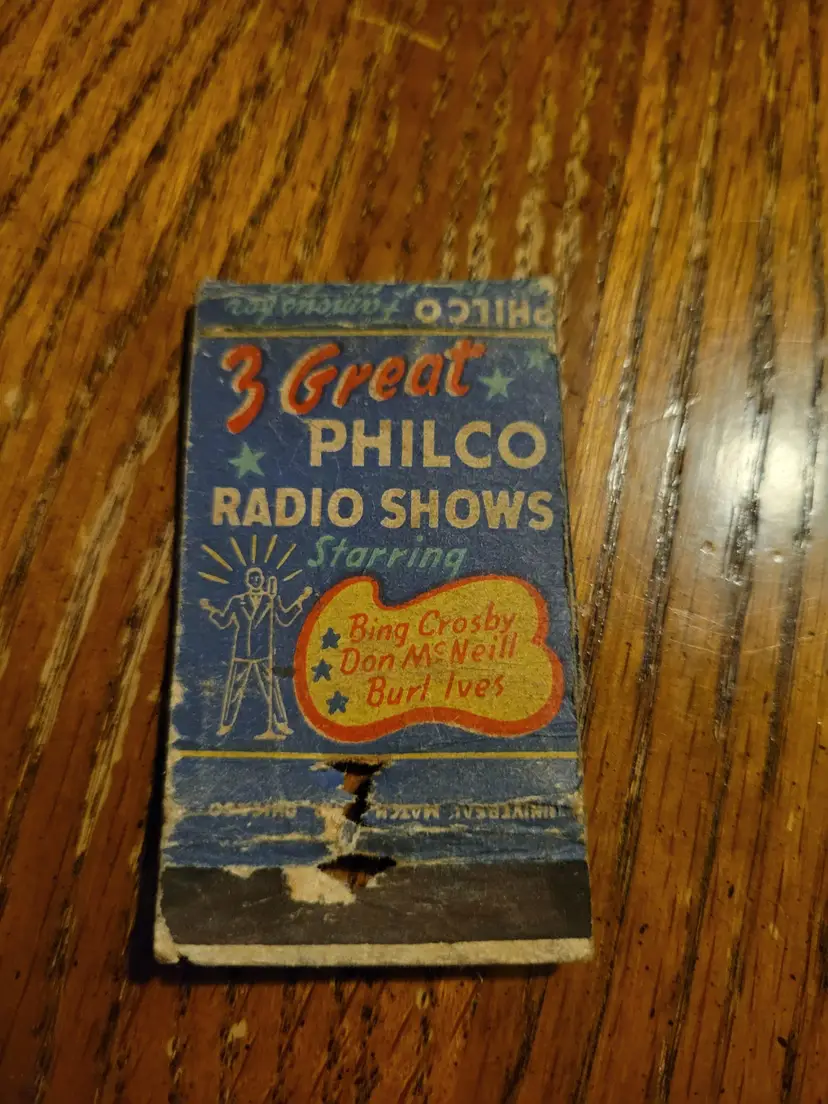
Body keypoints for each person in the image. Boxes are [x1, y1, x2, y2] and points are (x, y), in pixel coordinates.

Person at [201, 567, 312, 738]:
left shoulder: (271, 600)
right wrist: (210, 609)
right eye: (252, 579)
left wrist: (301, 600)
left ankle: (281, 724)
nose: (255, 581)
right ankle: (226, 725)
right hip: (243, 652)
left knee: (272, 689)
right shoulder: (237, 601)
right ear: (247, 582)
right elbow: (223, 621)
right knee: (234, 689)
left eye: (258, 578)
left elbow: (285, 619)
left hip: (262, 652)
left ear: (262, 580)